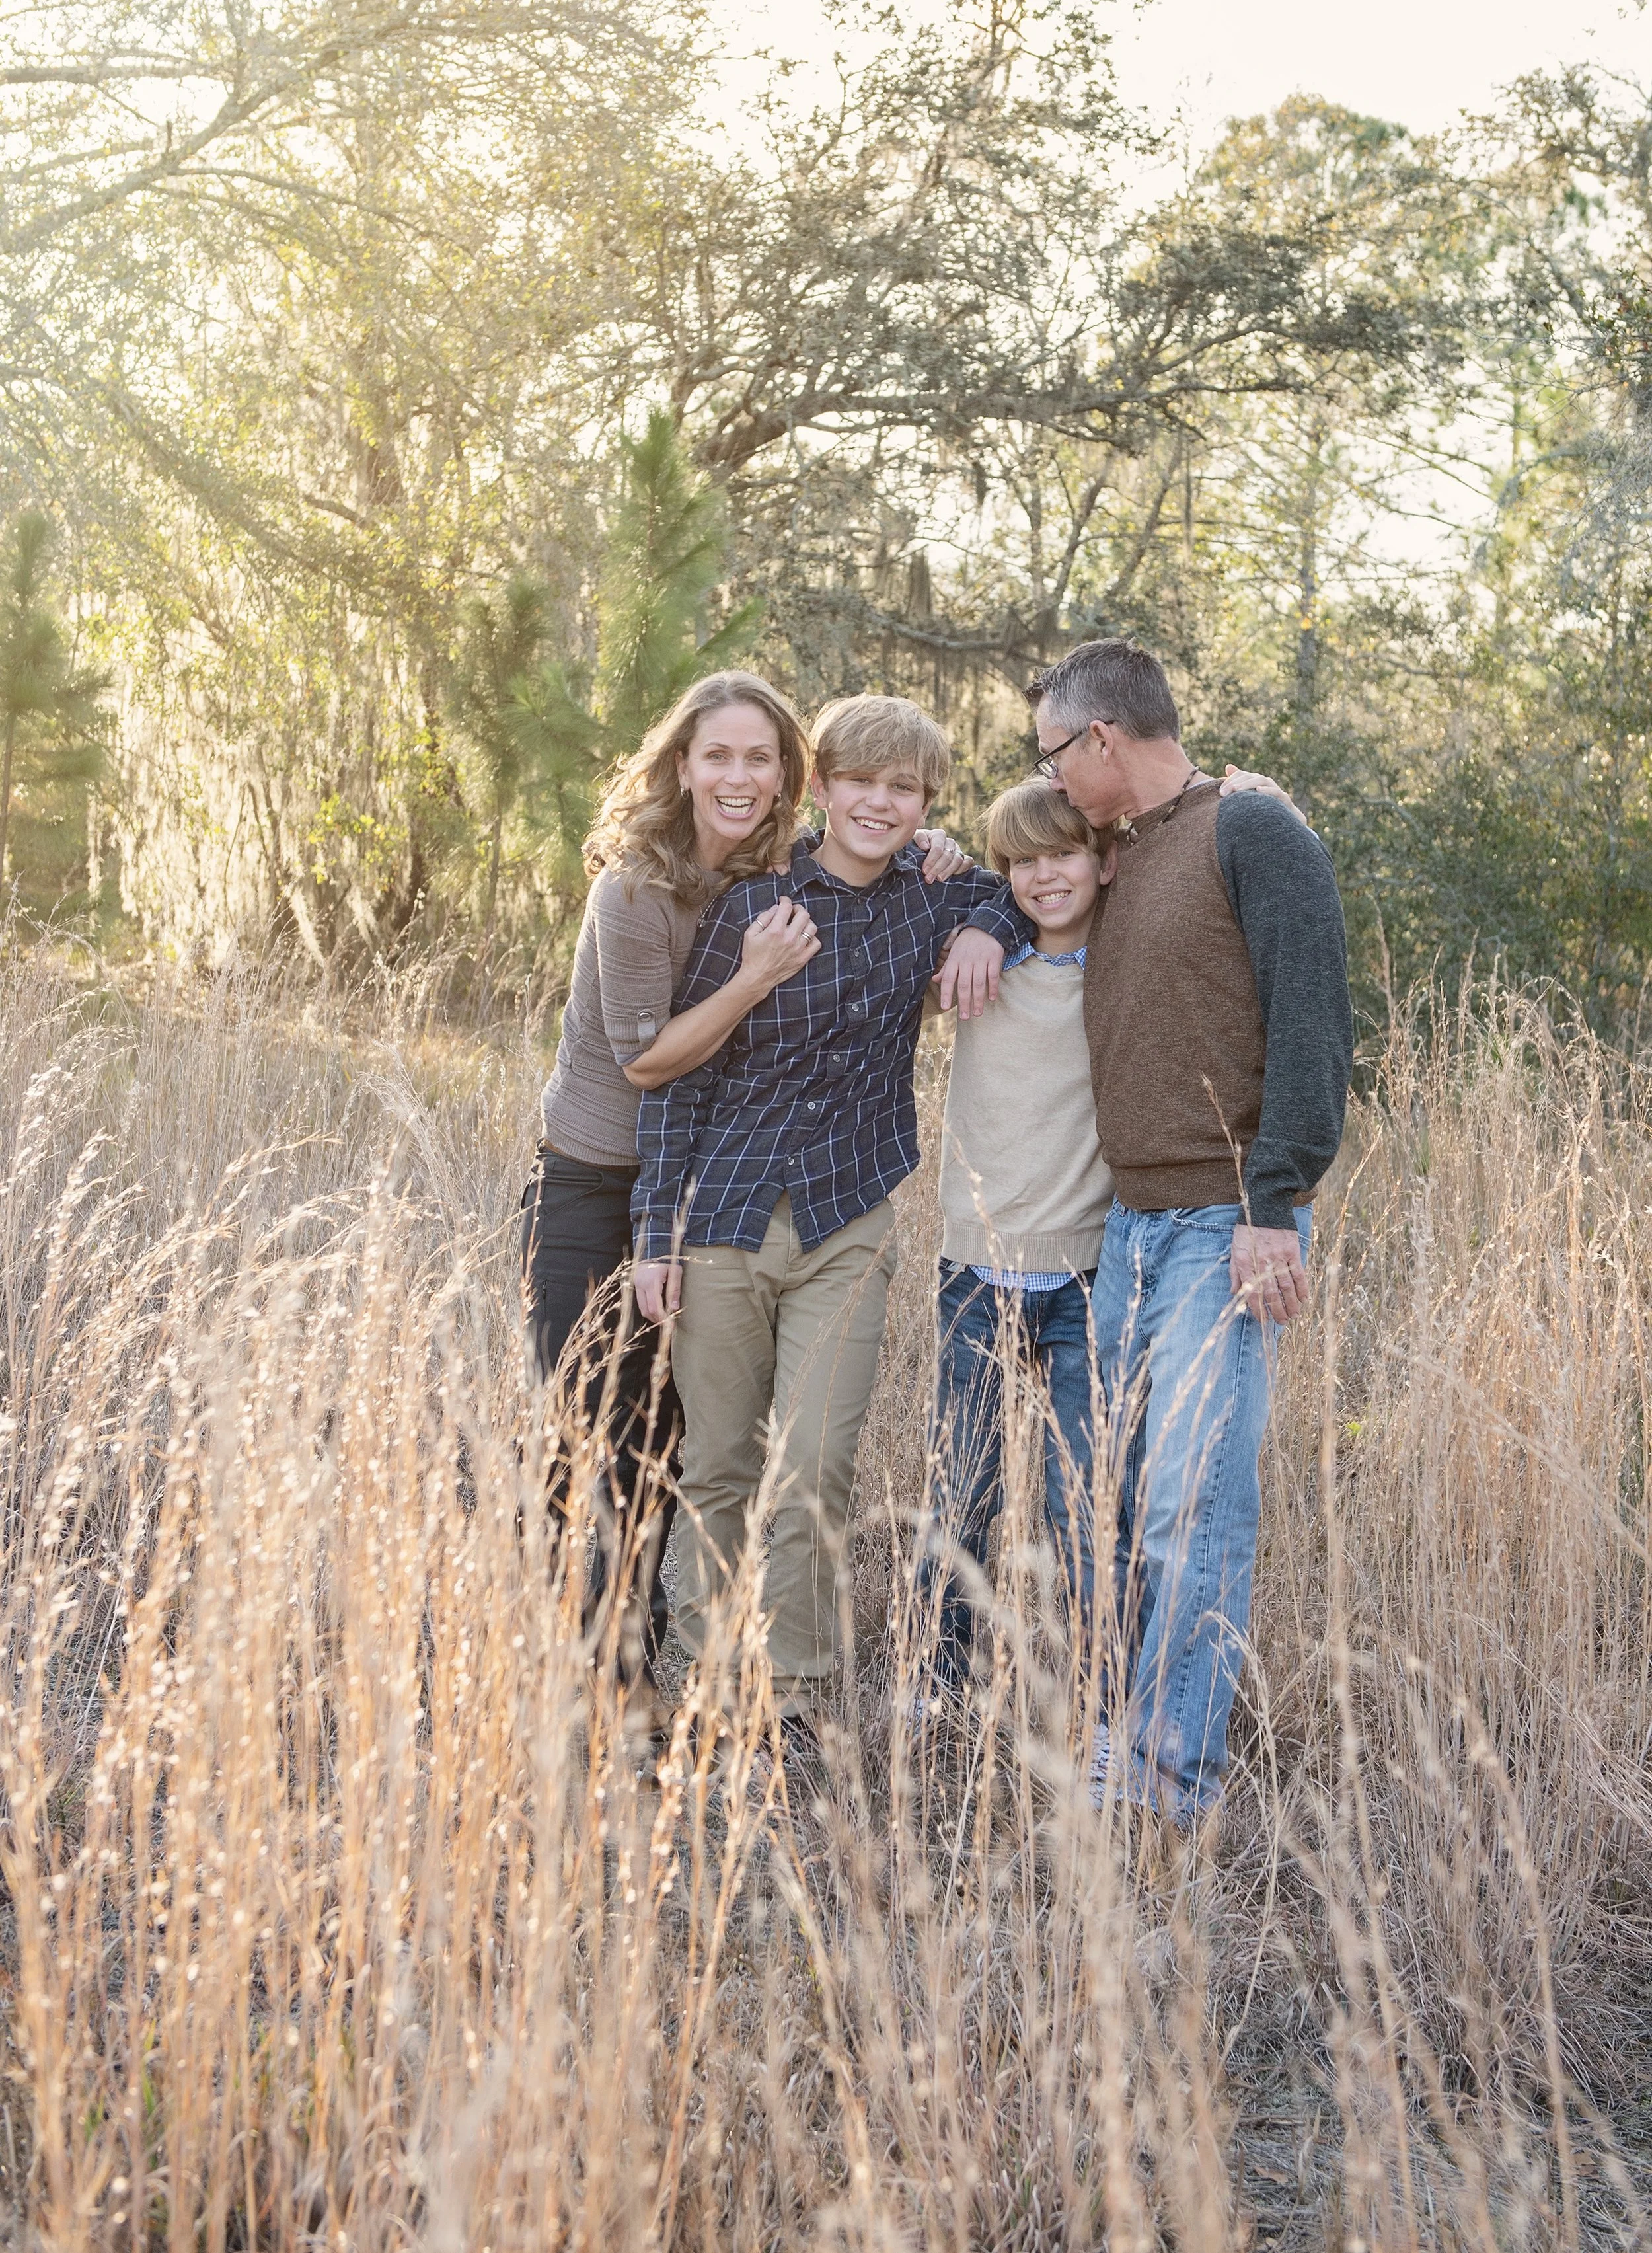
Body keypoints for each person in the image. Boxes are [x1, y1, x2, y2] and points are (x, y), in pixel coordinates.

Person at [522, 669, 965, 1687]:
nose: (738, 774)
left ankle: (711, 1665)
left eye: (759, 757)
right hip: (599, 1181)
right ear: (682, 765)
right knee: (592, 1437)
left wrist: (953, 875)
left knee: (672, 1446)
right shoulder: (644, 890)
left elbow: (938, 880)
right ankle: (600, 1681)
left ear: (787, 779)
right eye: (717, 754)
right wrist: (756, 977)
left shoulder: (772, 873)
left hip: (720, 1188)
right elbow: (652, 1067)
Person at [630, 695, 1024, 1758]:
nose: (882, 803)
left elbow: (1027, 891)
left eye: (907, 789)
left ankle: (793, 1693)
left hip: (849, 1220)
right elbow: (678, 1079)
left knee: (813, 1465)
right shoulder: (752, 903)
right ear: (822, 788)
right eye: (863, 781)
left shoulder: (931, 898)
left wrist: (986, 919)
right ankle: (705, 1678)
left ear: (927, 804)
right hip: (725, 1218)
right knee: (717, 1464)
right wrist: (655, 1231)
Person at [1030, 636, 1353, 1833]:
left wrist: (1278, 1208)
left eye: (1058, 751)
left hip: (1227, 1222)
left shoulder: (1250, 833)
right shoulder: (1119, 852)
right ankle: (1131, 1725)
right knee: (1118, 1498)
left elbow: (1314, 1028)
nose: (1054, 776)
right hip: (1132, 1226)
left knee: (1191, 1505)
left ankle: (1175, 1772)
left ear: (1104, 738)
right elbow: (1021, 872)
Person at [916, 781, 1115, 1701]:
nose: (1043, 876)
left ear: (1103, 861)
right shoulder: (973, 960)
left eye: (1063, 855)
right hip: (976, 1266)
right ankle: (940, 1674)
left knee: (1084, 1502)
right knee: (964, 1485)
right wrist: (960, 886)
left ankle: (1090, 1686)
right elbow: (891, 856)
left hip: (1088, 1273)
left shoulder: (1126, 966)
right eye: (1022, 861)